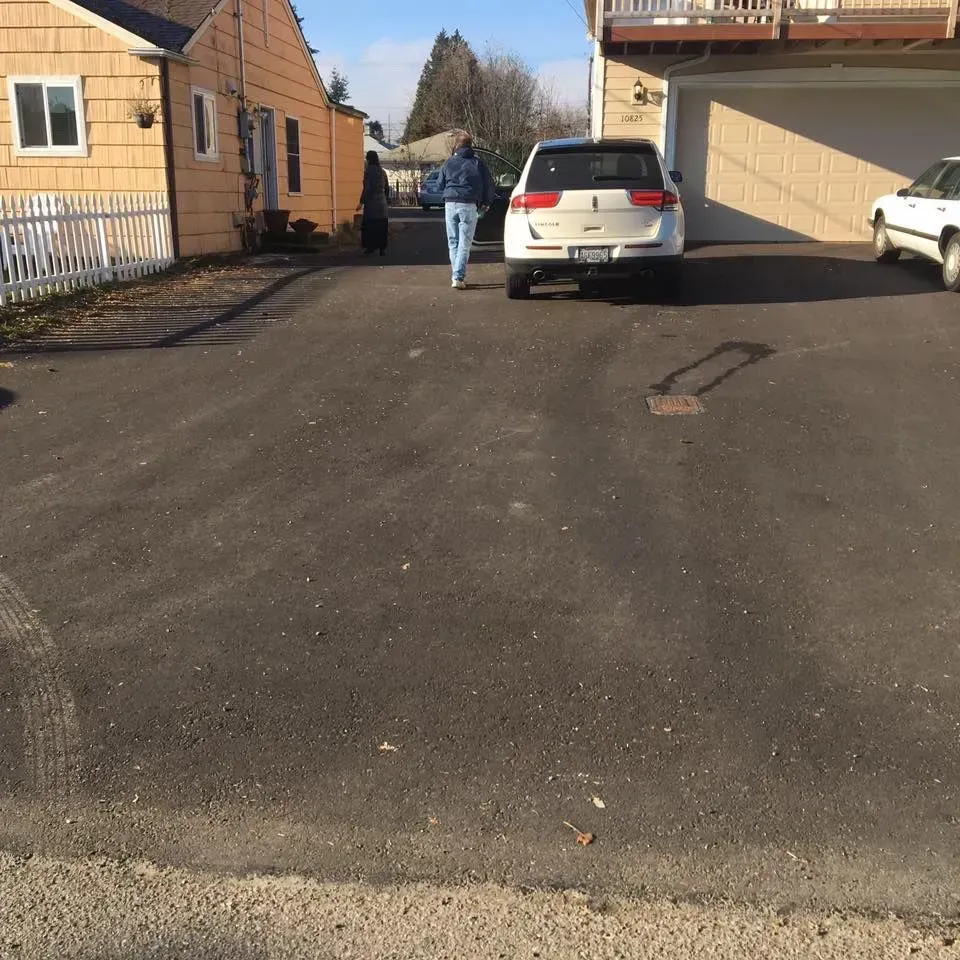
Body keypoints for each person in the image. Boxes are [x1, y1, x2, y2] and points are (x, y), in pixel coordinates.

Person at [436, 132, 495, 289]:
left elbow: (439, 184)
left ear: (457, 145)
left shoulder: (448, 162)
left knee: (453, 242)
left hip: (450, 204)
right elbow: (489, 184)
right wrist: (486, 202)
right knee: (464, 243)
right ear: (470, 145)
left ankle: (456, 276)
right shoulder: (478, 163)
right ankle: (458, 276)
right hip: (469, 204)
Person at [357, 151, 390, 256]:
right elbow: (387, 187)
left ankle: (370, 247)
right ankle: (382, 248)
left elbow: (367, 188)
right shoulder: (382, 171)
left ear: (369, 159)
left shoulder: (369, 171)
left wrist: (361, 201)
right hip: (382, 202)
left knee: (370, 225)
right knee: (381, 226)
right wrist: (386, 198)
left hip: (372, 202)